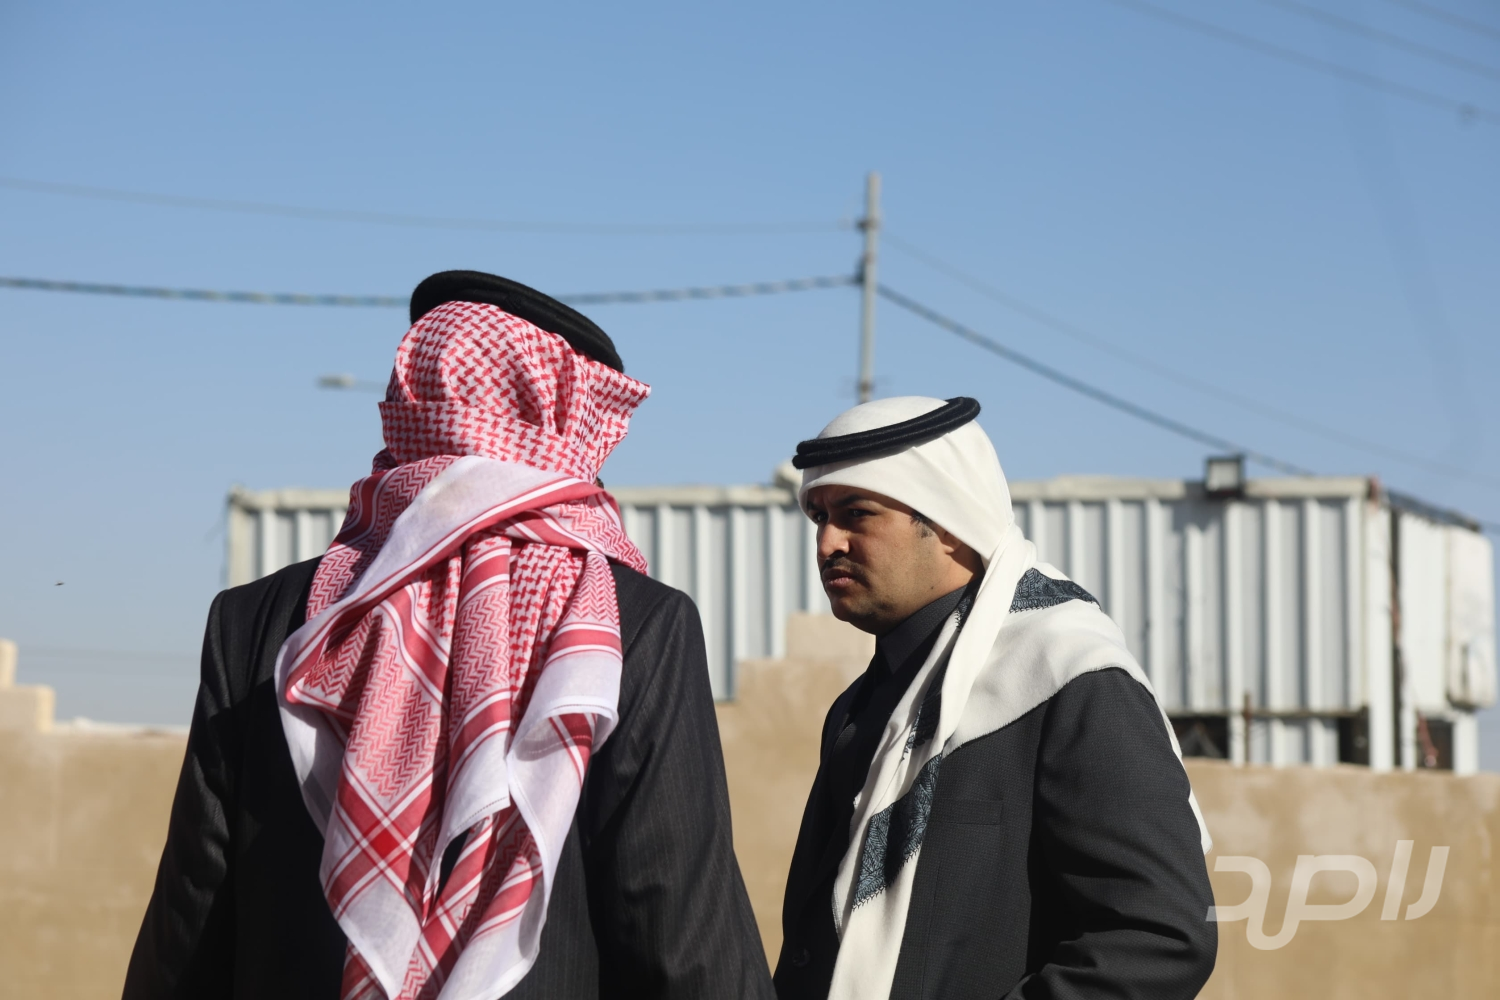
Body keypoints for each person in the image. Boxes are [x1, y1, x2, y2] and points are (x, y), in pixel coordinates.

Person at [124, 271, 773, 1000]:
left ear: (414, 399)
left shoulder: (257, 620)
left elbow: (192, 919)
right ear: (570, 416)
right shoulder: (633, 622)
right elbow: (678, 924)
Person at [772, 396, 1216, 1000]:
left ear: (949, 519)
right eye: (819, 517)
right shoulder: (860, 707)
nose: (828, 543)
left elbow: (1157, 937)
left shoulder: (1068, 678)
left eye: (856, 514)